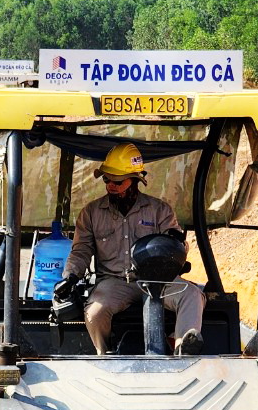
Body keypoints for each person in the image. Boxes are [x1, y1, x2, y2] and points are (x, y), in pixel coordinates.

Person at [54, 143, 205, 355]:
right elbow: (81, 251)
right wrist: (70, 277)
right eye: (107, 180)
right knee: (95, 312)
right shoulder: (91, 213)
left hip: (158, 281)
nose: (111, 186)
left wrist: (175, 243)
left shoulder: (159, 210)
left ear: (135, 181)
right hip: (114, 282)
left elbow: (178, 247)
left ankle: (183, 348)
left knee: (192, 294)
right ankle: (104, 355)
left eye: (117, 181)